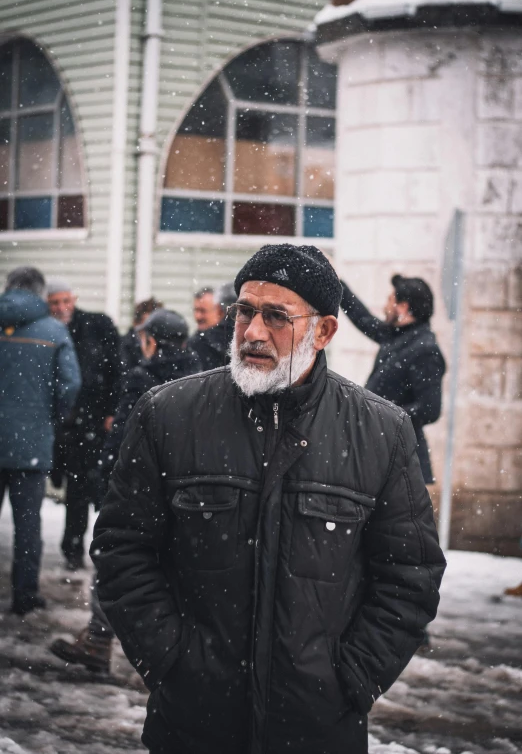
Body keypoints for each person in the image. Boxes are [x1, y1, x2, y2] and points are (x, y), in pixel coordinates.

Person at [91, 244, 445, 754]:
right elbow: (123, 549)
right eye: (245, 311)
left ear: (323, 332)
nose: (253, 331)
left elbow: (409, 577)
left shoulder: (382, 433)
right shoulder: (168, 415)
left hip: (318, 730)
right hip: (192, 726)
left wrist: (349, 680)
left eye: (277, 316)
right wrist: (171, 659)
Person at [49, 308, 201, 672]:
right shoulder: (202, 378)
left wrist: (106, 476)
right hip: (185, 492)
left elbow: (122, 438)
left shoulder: (142, 378)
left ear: (151, 341)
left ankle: (100, 642)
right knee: (171, 573)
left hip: (140, 490)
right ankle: (170, 656)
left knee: (113, 562)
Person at [0, 267, 81, 615]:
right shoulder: (53, 331)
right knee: (28, 525)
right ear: (40, 292)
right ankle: (24, 595)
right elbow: (70, 384)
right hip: (31, 443)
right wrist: (51, 417)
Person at [341, 274, 446, 485]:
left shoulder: (425, 350)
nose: (385, 307)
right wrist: (336, 284)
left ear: (403, 307)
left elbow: (429, 409)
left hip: (401, 462)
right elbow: (363, 318)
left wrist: (379, 417)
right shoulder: (397, 335)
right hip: (380, 453)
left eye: (390, 300)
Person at [47, 279, 121, 571]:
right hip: (67, 426)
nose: (62, 307)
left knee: (103, 490)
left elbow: (116, 370)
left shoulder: (97, 325)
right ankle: (73, 549)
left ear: (74, 299)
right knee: (75, 492)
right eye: (55, 302)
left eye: (66, 300)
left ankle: (107, 550)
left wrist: (112, 412)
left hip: (97, 422)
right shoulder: (48, 331)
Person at [186, 281, 235, 370]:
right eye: (195, 310)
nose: (197, 316)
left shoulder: (235, 339)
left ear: (219, 311)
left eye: (202, 311)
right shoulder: (193, 343)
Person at [120, 297, 164, 374]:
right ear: (136, 324)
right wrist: (147, 360)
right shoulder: (123, 348)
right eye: (149, 326)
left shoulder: (165, 345)